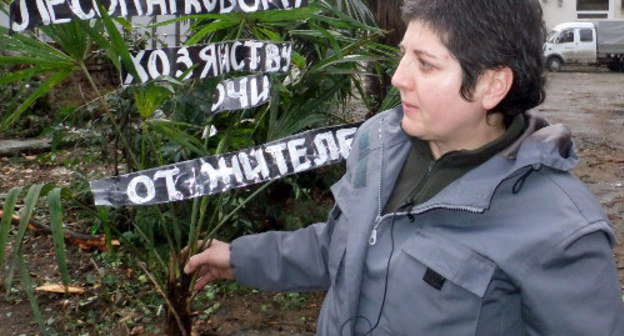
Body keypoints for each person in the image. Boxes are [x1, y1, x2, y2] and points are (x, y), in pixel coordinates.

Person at [184, 0, 624, 334]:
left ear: (492, 84)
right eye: (404, 55)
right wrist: (242, 257)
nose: (397, 77)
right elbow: (345, 245)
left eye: (425, 63)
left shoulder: (562, 234)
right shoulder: (380, 142)